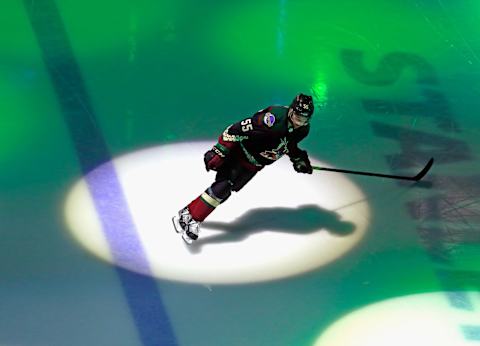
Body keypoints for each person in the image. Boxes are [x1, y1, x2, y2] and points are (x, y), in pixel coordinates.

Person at [172, 93, 315, 244]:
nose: (300, 122)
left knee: (226, 192)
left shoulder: (303, 130)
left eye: (304, 119)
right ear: (291, 111)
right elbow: (236, 129)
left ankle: (187, 213)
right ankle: (195, 218)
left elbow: (288, 144)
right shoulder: (272, 119)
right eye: (298, 117)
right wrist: (220, 149)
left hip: (255, 165)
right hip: (240, 154)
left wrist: (299, 159)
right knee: (223, 187)